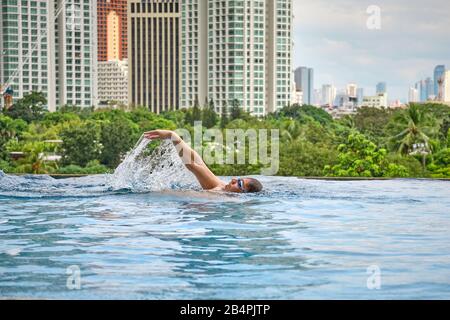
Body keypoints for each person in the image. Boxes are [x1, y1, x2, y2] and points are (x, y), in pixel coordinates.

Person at [144, 130, 263, 193]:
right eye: (237, 179)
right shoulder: (221, 187)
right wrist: (173, 136)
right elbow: (197, 164)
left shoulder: (221, 197)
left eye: (239, 184)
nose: (233, 180)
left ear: (243, 195)